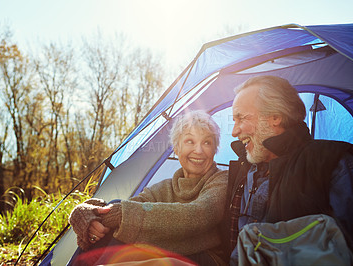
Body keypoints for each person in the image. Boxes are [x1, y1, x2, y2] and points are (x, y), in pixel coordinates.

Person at [222, 75, 353, 264]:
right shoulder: (246, 169)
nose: (234, 131)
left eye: (241, 118)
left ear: (275, 117)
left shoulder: (331, 164)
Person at [69, 110, 228, 265]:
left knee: (123, 217)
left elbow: (200, 214)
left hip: (203, 258)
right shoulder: (164, 188)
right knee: (115, 220)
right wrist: (88, 212)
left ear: (214, 150)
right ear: (176, 148)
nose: (199, 150)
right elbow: (126, 208)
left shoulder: (221, 180)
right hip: (165, 251)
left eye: (207, 142)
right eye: (190, 141)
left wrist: (120, 214)